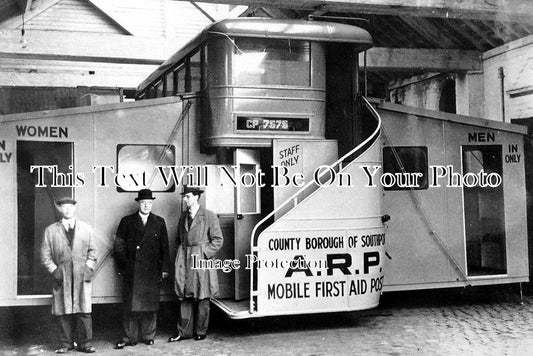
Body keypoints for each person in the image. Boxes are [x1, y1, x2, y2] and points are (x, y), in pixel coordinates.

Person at [113, 188, 170, 349]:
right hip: (132, 271)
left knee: (150, 306)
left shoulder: (159, 222)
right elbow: (118, 246)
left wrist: (164, 269)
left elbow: (164, 248)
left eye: (149, 203)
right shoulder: (127, 221)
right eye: (143, 202)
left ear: (152, 204)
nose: (146, 205)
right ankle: (129, 337)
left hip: (152, 271)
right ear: (138, 203)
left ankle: (148, 336)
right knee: (130, 306)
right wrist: (125, 264)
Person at [41, 197, 97, 354]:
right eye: (64, 207)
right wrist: (54, 270)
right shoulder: (51, 230)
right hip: (62, 276)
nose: (67, 210)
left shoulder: (86, 229)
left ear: (75, 208)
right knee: (63, 310)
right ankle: (66, 344)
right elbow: (45, 255)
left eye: (70, 207)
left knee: (84, 311)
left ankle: (85, 344)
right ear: (59, 209)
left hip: (81, 276)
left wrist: (88, 268)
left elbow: (93, 252)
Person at [169, 186, 223, 342]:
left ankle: (201, 330)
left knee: (202, 296)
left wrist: (204, 253)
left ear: (197, 197)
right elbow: (178, 239)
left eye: (188, 196)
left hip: (201, 261)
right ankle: (184, 332)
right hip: (184, 259)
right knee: (184, 295)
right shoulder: (183, 217)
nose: (185, 199)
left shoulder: (209, 216)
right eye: (185, 197)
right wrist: (182, 252)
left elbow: (218, 240)